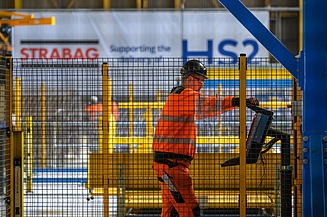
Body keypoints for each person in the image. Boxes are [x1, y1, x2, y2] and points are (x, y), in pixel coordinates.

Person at [152, 59, 259, 217]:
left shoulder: (179, 97)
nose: (202, 85)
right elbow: (209, 104)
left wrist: (235, 104)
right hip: (173, 168)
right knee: (190, 210)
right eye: (200, 80)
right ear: (190, 78)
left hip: (167, 166)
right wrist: (238, 101)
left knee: (171, 212)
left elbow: (207, 110)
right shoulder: (186, 95)